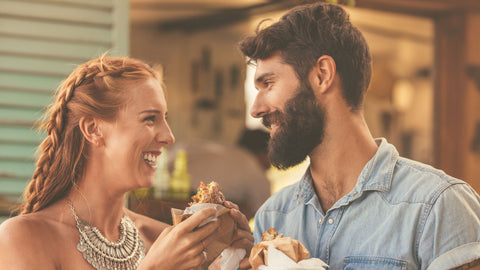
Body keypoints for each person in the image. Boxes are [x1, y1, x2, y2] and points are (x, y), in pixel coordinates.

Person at [239, 3, 480, 269]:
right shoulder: (272, 217)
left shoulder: (439, 206)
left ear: (322, 75)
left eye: (268, 83)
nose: (255, 109)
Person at [0, 56, 253, 269]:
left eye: (165, 118)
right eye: (150, 119)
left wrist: (232, 259)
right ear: (93, 129)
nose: (169, 136)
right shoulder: (23, 237)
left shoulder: (165, 240)